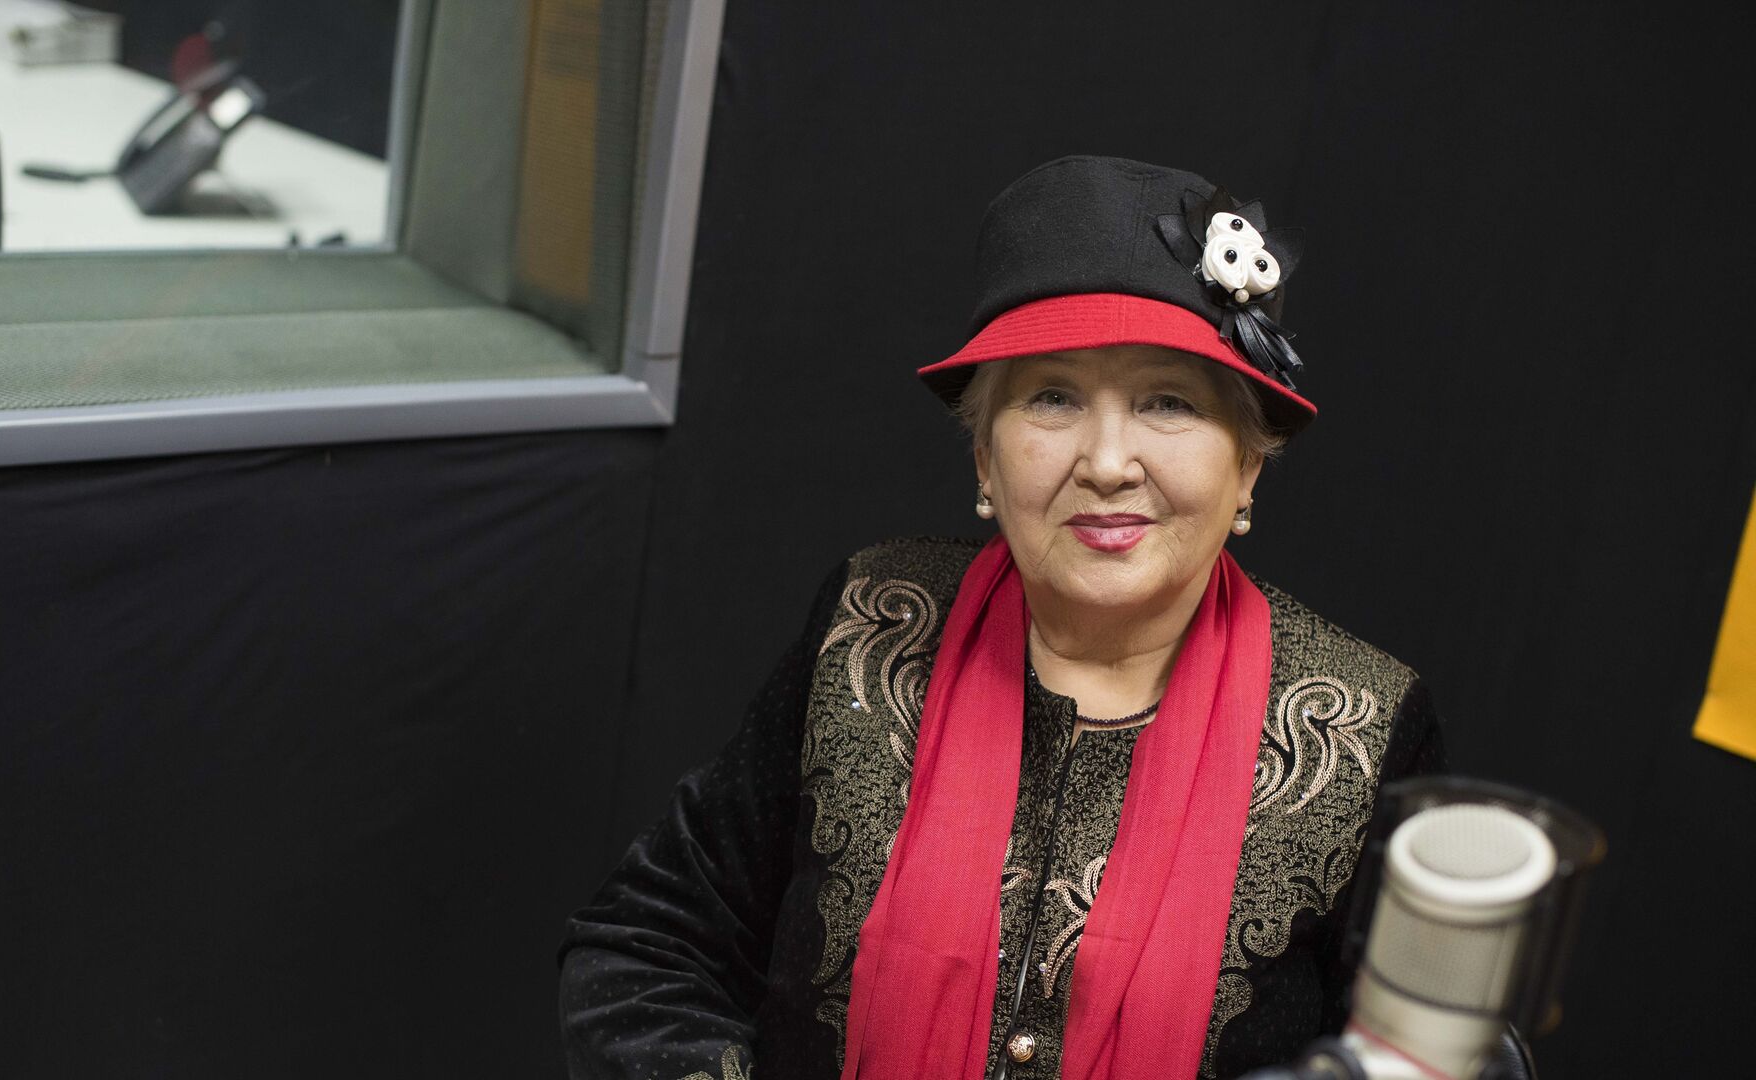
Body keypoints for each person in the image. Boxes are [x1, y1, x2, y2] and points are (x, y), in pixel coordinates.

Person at [558, 156, 1447, 1080]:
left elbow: (1429, 1053)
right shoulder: (872, 623)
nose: (1108, 462)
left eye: (1168, 402)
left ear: (1248, 464)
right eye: (1053, 397)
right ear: (985, 454)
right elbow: (643, 945)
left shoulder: (1364, 726)